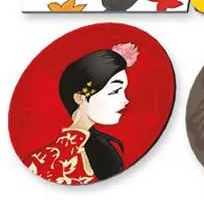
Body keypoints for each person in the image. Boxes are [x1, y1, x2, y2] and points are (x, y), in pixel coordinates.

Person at [24, 42, 138, 184]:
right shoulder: (42, 163)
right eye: (115, 91)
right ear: (80, 98)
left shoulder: (103, 149)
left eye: (123, 90)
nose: (125, 100)